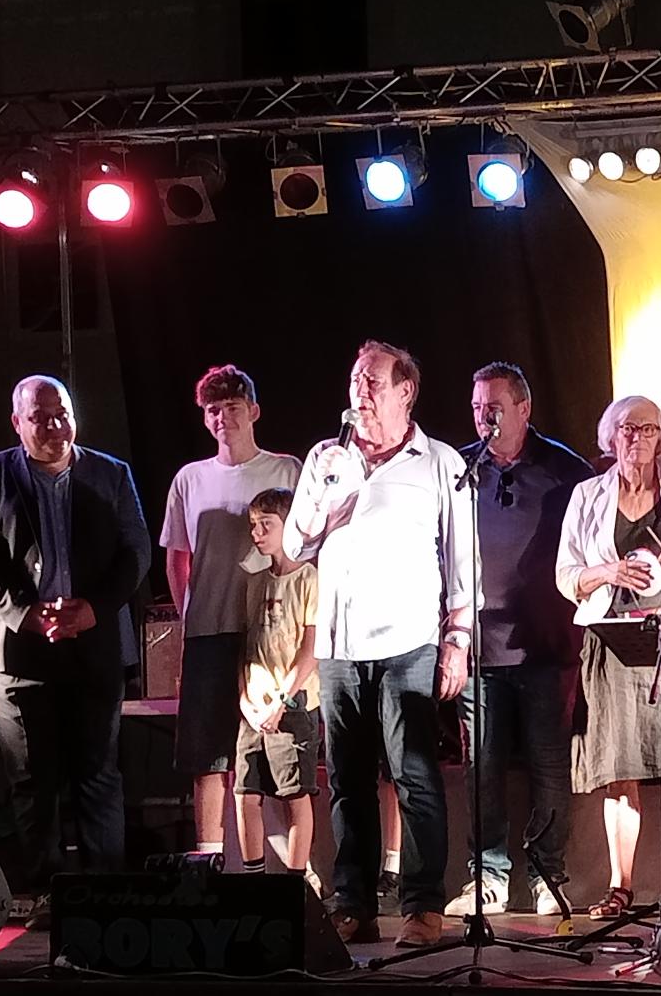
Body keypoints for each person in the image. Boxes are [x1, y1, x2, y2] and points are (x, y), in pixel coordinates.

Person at [285, 341, 473, 948]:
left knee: (414, 775)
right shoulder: (326, 457)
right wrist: (326, 506)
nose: (360, 392)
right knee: (347, 780)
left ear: (405, 391)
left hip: (409, 642)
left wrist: (457, 640)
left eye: (372, 382)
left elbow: (463, 561)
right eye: (355, 381)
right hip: (340, 645)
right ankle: (355, 904)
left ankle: (422, 906)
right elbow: (294, 546)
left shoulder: (439, 462)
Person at [0, 377, 151, 909]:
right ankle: (46, 895)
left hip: (94, 644)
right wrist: (23, 614)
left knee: (98, 774)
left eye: (62, 413)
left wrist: (94, 609)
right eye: (40, 417)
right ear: (17, 423)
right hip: (17, 650)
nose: (55, 425)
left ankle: (105, 895)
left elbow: (136, 551)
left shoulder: (111, 473)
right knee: (31, 779)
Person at [556, 395, 661, 919]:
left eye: (648, 429)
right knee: (618, 769)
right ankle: (619, 885)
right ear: (611, 436)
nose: (637, 438)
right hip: (611, 641)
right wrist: (607, 572)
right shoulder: (587, 495)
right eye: (628, 428)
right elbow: (565, 575)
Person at [443, 361, 594, 919]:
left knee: (549, 765)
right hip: (480, 648)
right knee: (481, 768)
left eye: (495, 407)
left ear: (524, 409)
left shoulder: (566, 471)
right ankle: (487, 877)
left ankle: (548, 875)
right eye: (477, 408)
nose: (485, 418)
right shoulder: (459, 471)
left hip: (547, 645)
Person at [158, 365, 303, 859]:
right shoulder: (189, 479)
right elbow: (177, 555)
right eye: (213, 410)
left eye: (233, 407)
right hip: (209, 631)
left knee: (278, 757)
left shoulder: (285, 470)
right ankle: (207, 862)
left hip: (271, 634)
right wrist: (189, 616)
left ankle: (293, 870)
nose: (223, 418)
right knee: (208, 755)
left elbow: (307, 548)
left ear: (254, 411)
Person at [234, 486, 319, 888]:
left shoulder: (310, 578)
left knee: (294, 793)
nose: (257, 533)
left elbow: (310, 648)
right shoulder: (254, 583)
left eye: (266, 524)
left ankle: (294, 882)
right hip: (255, 706)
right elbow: (248, 646)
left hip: (292, 704)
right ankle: (254, 880)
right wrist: (245, 699)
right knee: (245, 792)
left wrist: (281, 701)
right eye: (253, 525)